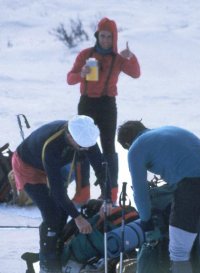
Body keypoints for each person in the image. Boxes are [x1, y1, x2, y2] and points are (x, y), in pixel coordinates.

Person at [117, 121, 200, 273]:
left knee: (179, 253)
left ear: (128, 143)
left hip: (194, 188)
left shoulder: (136, 147)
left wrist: (146, 221)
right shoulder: (171, 130)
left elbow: (140, 192)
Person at [12, 115, 112, 273]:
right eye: (82, 146)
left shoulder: (86, 137)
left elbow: (101, 169)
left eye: (88, 146)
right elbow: (58, 191)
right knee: (52, 214)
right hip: (28, 165)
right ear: (69, 136)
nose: (86, 150)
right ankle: (47, 263)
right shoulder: (52, 145)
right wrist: (78, 218)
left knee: (63, 213)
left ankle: (56, 250)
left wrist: (107, 199)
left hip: (58, 163)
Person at [67, 17, 141, 204]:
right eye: (102, 36)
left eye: (109, 36)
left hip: (108, 105)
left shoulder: (119, 58)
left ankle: (111, 191)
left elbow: (135, 74)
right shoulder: (86, 54)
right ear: (97, 36)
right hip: (86, 104)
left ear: (114, 38)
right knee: (81, 145)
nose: (105, 40)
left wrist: (130, 57)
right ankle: (83, 191)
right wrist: (81, 74)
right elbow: (70, 78)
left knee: (108, 147)